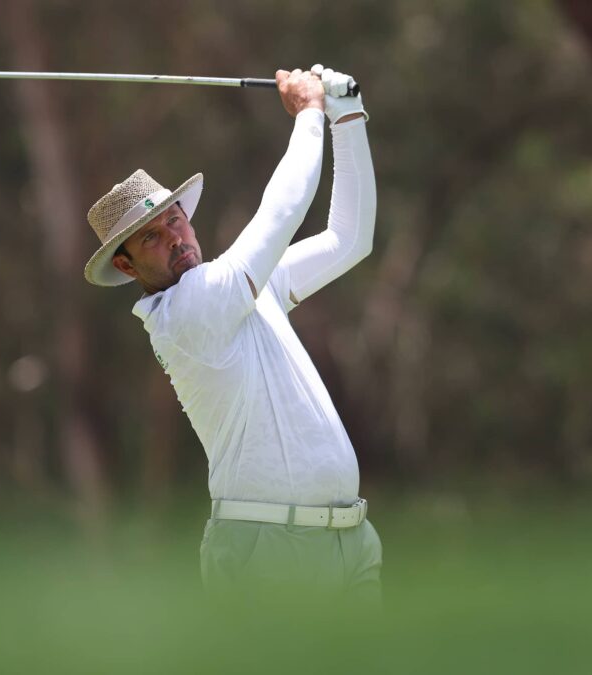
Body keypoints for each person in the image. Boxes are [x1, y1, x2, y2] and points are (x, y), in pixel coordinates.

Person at [83, 65, 380, 604]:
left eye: (175, 219)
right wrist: (310, 113)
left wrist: (349, 118)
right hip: (266, 549)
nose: (175, 236)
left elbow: (349, 240)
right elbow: (281, 214)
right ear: (127, 268)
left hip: (349, 542)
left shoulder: (235, 289)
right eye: (152, 237)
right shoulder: (186, 311)